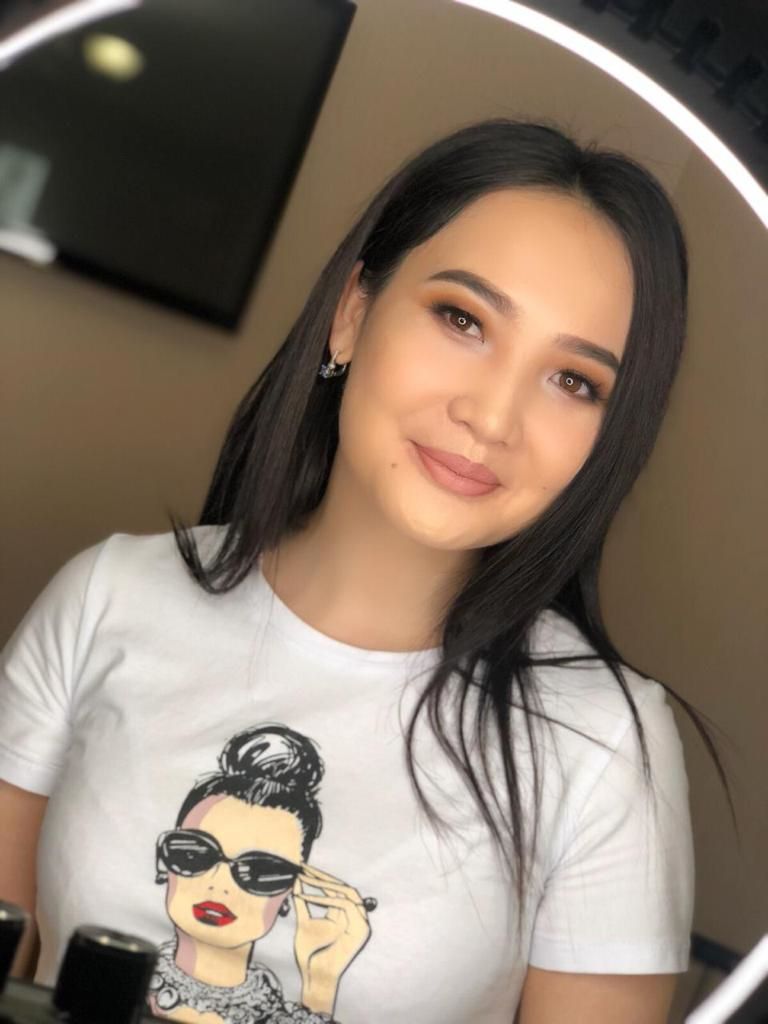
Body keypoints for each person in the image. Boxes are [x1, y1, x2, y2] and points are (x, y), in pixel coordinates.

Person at [0, 119, 726, 1024]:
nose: (492, 416)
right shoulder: (107, 600)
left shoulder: (603, 742)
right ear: (352, 312)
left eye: (574, 381)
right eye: (463, 320)